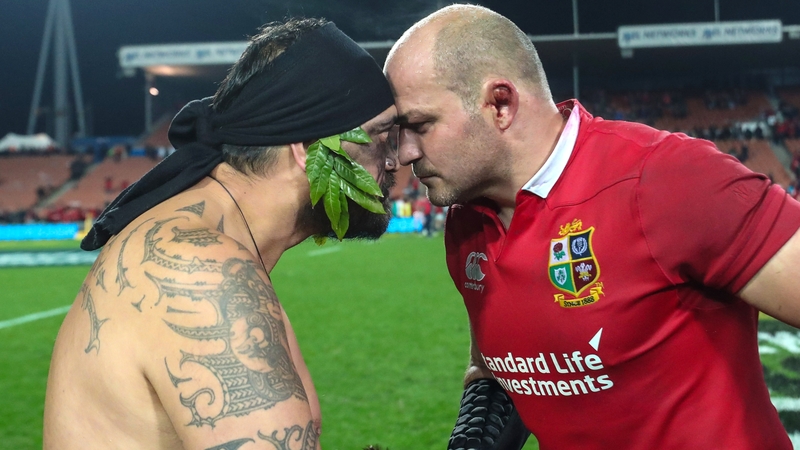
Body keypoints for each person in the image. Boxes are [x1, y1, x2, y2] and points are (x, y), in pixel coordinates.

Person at [385, 5, 800, 450]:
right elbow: (500, 366)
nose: (404, 153)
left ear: (500, 104)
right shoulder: (466, 223)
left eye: (419, 125)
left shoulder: (665, 180)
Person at [44, 18, 398, 450]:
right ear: (307, 147)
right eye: (383, 136)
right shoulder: (199, 271)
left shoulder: (220, 254)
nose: (401, 158)